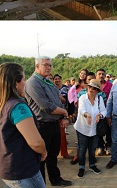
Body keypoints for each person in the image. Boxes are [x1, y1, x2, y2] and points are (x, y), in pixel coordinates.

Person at [0, 63, 47, 188]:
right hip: (22, 169)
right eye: (24, 79)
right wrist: (43, 152)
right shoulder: (17, 107)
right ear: (16, 82)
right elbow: (35, 142)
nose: (25, 83)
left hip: (4, 167)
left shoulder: (0, 104)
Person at [24, 56, 72, 187]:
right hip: (41, 125)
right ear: (37, 66)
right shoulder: (33, 83)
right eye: (45, 65)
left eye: (50, 65)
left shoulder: (48, 81)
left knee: (53, 155)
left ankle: (55, 179)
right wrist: (64, 113)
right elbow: (46, 106)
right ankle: (41, 184)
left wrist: (62, 117)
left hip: (53, 124)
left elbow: (57, 101)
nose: (49, 68)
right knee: (41, 158)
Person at [74, 79, 106, 178]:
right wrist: (86, 114)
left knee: (92, 148)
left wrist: (99, 115)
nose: (92, 89)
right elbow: (81, 109)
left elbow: (104, 111)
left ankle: (92, 165)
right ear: (87, 87)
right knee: (82, 148)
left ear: (97, 90)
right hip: (82, 128)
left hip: (94, 128)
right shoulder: (83, 98)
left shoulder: (99, 99)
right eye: (90, 87)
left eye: (94, 88)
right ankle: (81, 167)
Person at [95, 68, 112, 156]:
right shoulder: (93, 85)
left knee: (109, 129)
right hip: (96, 113)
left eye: (103, 74)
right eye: (99, 74)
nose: (101, 75)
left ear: (105, 76)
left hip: (108, 111)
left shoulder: (110, 85)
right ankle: (100, 146)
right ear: (96, 75)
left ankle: (108, 146)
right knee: (98, 130)